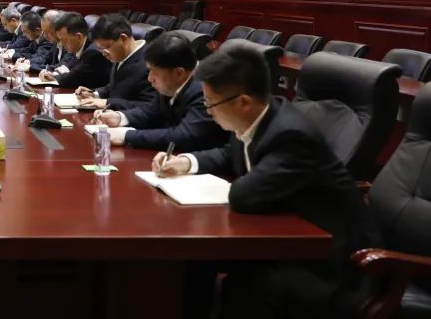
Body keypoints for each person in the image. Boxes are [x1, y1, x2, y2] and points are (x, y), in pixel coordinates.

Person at [153, 41, 380, 318]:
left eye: (210, 103)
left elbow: (243, 195)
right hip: (286, 234)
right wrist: (187, 162)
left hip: (330, 262)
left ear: (243, 102)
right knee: (194, 259)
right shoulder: (262, 115)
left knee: (245, 286)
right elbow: (228, 154)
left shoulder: (291, 136)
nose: (208, 111)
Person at [92, 32, 226, 152]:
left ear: (179, 73)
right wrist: (119, 117)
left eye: (153, 71)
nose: (149, 78)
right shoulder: (172, 82)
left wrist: (127, 136)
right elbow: (151, 111)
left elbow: (184, 136)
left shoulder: (205, 90)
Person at [76, 13, 156, 111]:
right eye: (100, 49)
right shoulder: (121, 55)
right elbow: (115, 87)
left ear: (123, 38)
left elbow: (149, 106)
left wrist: (108, 103)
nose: (104, 54)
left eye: (106, 47)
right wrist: (94, 93)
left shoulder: (149, 63)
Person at [39, 11, 110, 90]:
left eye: (65, 40)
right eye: (60, 40)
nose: (62, 44)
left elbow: (73, 77)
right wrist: (51, 72)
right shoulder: (77, 46)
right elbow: (68, 66)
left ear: (78, 37)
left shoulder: (93, 52)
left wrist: (54, 76)